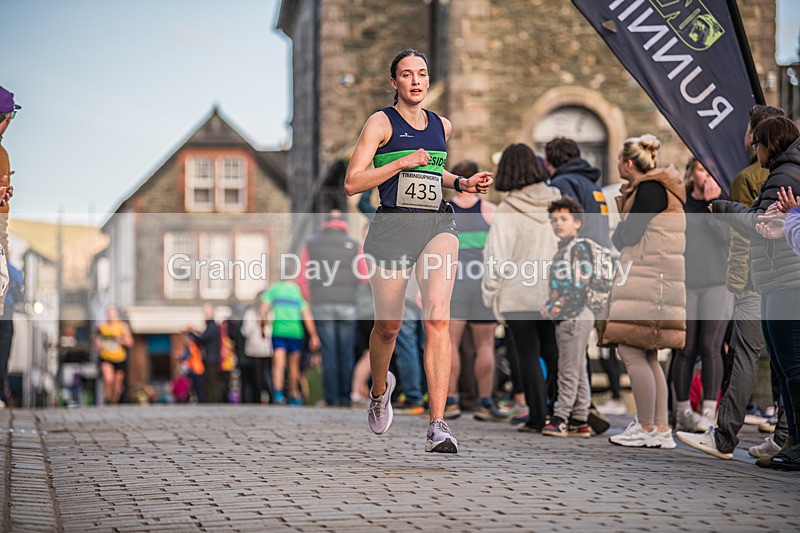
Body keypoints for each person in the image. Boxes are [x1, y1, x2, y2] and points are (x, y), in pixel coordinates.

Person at [344, 49, 492, 453]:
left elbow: (432, 171)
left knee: (437, 318)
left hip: (436, 225)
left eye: (422, 74)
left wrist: (461, 184)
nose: (416, 81)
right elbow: (353, 182)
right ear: (394, 82)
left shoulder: (442, 124)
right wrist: (400, 162)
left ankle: (438, 424)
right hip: (392, 227)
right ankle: (379, 391)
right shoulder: (380, 122)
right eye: (406, 74)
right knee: (388, 327)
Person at [676, 105, 789, 462]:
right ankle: (785, 437)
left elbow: (749, 233)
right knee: (784, 363)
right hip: (785, 279)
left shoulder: (754, 177)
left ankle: (724, 436)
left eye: (749, 133)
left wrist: (738, 280)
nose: (745, 140)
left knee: (743, 354)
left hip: (763, 278)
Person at [712, 116, 800, 470]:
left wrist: (724, 208)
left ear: (768, 144)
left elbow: (761, 224)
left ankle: (793, 443)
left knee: (790, 368)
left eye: (756, 144)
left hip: (784, 279)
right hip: (778, 277)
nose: (753, 150)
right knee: (783, 368)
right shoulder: (785, 170)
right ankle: (790, 441)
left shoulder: (782, 172)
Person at [602, 135, 685, 449]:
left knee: (632, 351)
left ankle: (648, 426)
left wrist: (619, 230)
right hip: (658, 277)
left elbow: (628, 234)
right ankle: (659, 428)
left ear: (627, 163)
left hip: (649, 277)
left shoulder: (649, 189)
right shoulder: (660, 186)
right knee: (648, 353)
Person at [482, 143, 561, 433]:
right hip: (553, 291)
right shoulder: (557, 201)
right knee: (553, 351)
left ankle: (537, 416)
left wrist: (491, 293)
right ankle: (558, 412)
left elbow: (497, 257)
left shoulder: (506, 211)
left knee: (527, 354)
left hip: (518, 294)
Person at [670, 157, 732, 432]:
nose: (704, 175)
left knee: (710, 346)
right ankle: (682, 411)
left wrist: (714, 207)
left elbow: (727, 238)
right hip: (687, 282)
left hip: (717, 281)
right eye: (699, 169)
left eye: (709, 170)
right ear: (690, 173)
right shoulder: (681, 204)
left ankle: (709, 410)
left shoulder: (723, 201)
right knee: (685, 347)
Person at [445, 160, 504, 421]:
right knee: (485, 345)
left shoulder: (445, 211)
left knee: (449, 344)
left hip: (454, 283)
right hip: (482, 284)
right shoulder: (491, 211)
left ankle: (449, 400)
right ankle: (485, 401)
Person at [298, 210, 367, 407]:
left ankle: (331, 397)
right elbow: (364, 275)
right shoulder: (354, 245)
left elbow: (302, 278)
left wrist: (312, 298)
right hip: (347, 304)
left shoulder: (311, 243)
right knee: (346, 351)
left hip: (322, 303)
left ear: (325, 223)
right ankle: (346, 396)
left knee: (328, 351)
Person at [540, 197, 596, 438]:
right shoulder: (566, 248)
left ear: (578, 223)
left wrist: (552, 308)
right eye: (554, 220)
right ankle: (581, 418)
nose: (558, 224)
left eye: (564, 219)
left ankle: (560, 417)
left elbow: (578, 287)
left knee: (567, 369)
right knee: (578, 366)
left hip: (573, 315)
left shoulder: (577, 248)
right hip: (575, 315)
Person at [261, 279, 320, 405]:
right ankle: (294, 394)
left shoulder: (274, 288)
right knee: (294, 366)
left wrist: (262, 326)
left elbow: (263, 310)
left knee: (279, 364)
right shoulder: (298, 290)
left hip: (279, 331)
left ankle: (278, 394)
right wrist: (314, 335)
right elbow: (307, 315)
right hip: (295, 331)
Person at [544, 137, 610, 247]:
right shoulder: (593, 185)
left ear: (547, 162)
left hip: (580, 254)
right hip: (599, 252)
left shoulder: (562, 184)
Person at [184, 304, 224, 403]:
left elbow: (202, 339)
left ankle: (213, 401)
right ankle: (211, 400)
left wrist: (191, 332)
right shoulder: (212, 327)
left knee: (211, 383)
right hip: (211, 358)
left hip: (212, 359)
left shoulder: (212, 327)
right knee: (209, 383)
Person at [94, 306, 134, 405]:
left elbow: (130, 342)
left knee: (117, 384)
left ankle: (114, 402)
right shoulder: (103, 327)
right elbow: (95, 335)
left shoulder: (122, 326)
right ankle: (107, 398)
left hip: (120, 358)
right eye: (109, 314)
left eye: (113, 314)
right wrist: (98, 344)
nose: (111, 316)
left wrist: (119, 339)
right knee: (108, 380)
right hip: (106, 357)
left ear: (117, 315)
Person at [241, 293, 273, 403]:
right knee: (257, 376)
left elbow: (271, 332)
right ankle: (259, 397)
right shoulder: (251, 314)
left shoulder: (271, 314)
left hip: (268, 350)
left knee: (267, 375)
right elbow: (245, 331)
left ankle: (271, 395)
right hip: (255, 350)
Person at [0, 262, 22, 409]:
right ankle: (1, 393)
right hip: (5, 311)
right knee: (2, 355)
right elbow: (19, 297)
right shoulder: (11, 269)